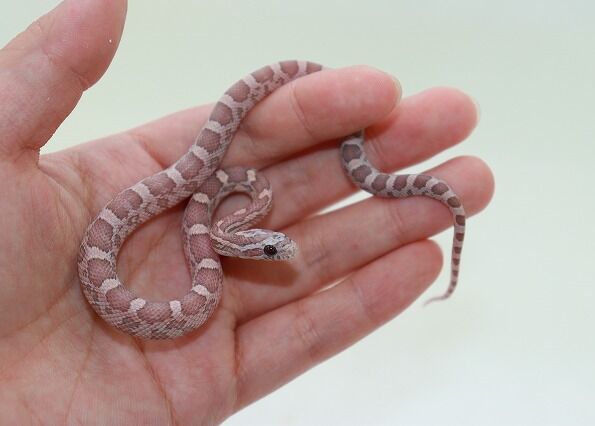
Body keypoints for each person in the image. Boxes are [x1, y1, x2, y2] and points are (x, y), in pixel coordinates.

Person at [0, 0, 493, 423]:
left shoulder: (236, 208)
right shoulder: (217, 234)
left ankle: (395, 172)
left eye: (272, 247)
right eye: (273, 248)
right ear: (251, 244)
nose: (280, 249)